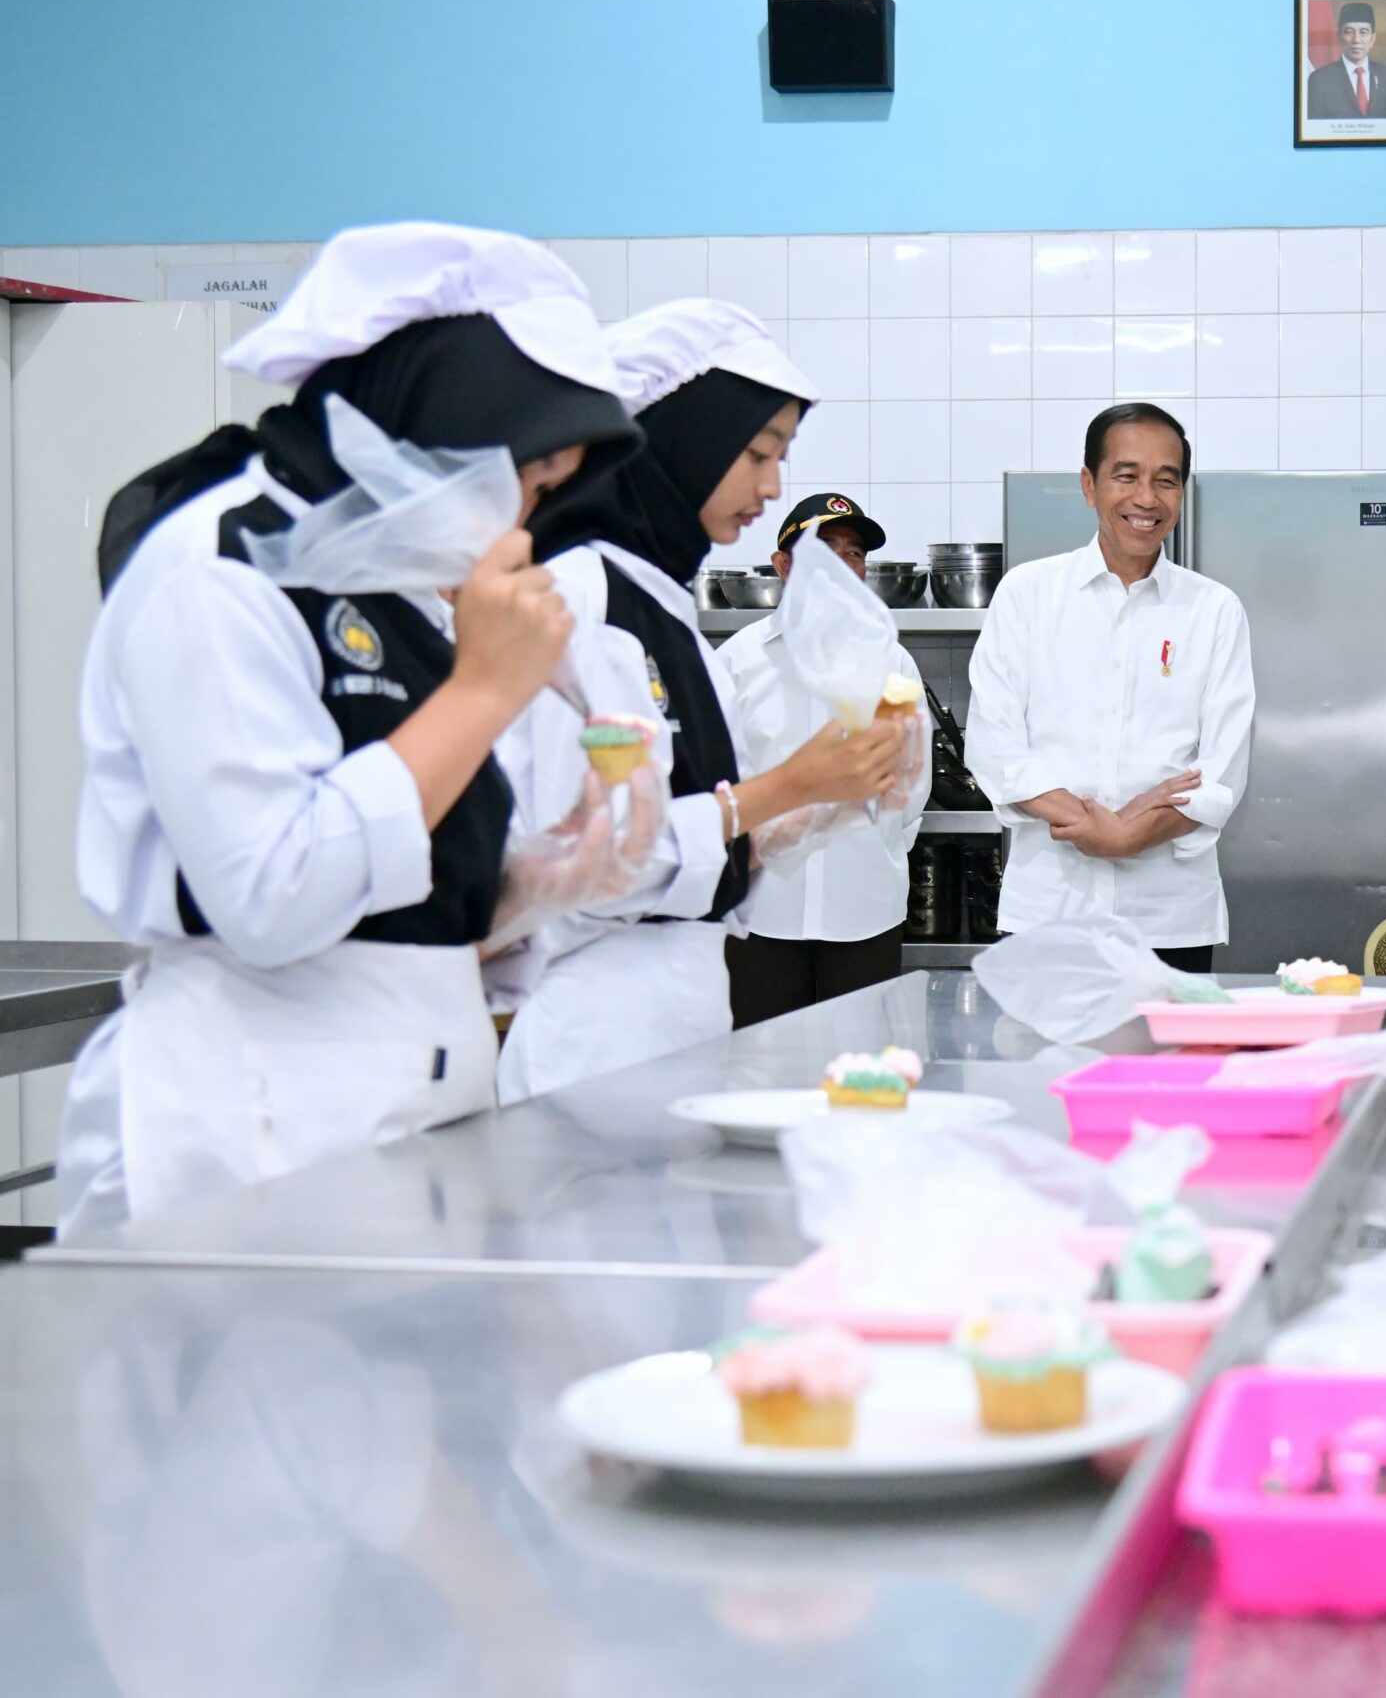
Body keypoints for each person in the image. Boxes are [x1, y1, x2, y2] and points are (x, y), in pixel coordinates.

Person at [58, 224, 644, 1231]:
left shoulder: (400, 590)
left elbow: (400, 890)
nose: (527, 522)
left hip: (408, 1110)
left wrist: (532, 888)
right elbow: (271, 899)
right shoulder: (216, 570)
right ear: (454, 419)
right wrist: (480, 694)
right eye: (533, 481)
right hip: (249, 1126)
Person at [495, 301, 909, 1101]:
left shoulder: (667, 613)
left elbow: (704, 845)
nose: (772, 485)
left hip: (675, 1030)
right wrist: (792, 785)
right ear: (679, 438)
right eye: (755, 452)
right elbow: (560, 863)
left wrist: (837, 796)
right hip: (586, 1044)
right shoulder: (576, 601)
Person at [965, 403, 1253, 972]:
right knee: (1047, 1064)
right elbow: (996, 750)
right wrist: (1110, 827)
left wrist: (1124, 839)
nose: (1146, 497)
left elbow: (1220, 775)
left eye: (1165, 480)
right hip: (1048, 913)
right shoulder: (1027, 594)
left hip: (1171, 918)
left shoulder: (1214, 610)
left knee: (1167, 1063)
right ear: (1089, 485)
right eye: (1126, 475)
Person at [717, 491, 926, 1025]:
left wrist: (877, 846)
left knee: (859, 1075)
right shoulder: (739, 660)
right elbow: (716, 781)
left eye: (853, 554)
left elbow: (912, 782)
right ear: (784, 565)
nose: (842, 566)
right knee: (762, 1076)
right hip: (761, 911)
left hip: (865, 908)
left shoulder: (892, 661)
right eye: (823, 551)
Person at [1305, 0, 1386, 120]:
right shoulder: (1319, 80)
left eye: (1363, 32)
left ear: (1372, 39)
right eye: (1349, 32)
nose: (1356, 40)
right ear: (1339, 37)